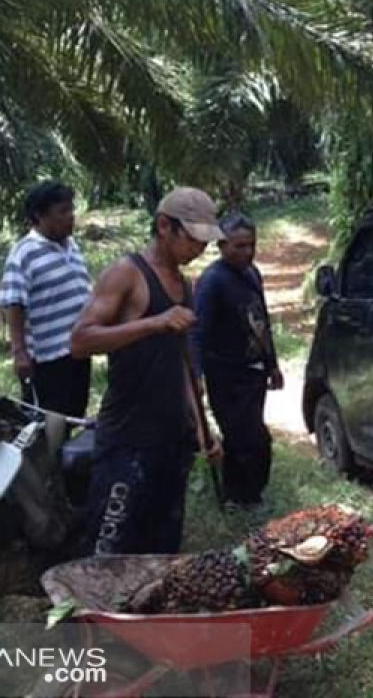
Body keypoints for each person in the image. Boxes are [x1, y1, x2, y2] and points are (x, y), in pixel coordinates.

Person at [71, 187, 224, 555]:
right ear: (163, 227)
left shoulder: (185, 285)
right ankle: (90, 612)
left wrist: (202, 429)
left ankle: (147, 613)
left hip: (172, 441)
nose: (200, 250)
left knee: (161, 549)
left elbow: (183, 362)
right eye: (193, 240)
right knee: (108, 548)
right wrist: (154, 323)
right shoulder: (126, 274)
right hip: (128, 439)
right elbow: (80, 341)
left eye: (205, 243)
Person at [191, 213, 283, 511]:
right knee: (247, 437)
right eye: (239, 246)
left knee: (248, 434)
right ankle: (239, 497)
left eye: (251, 245)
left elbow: (261, 321)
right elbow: (198, 333)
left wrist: (272, 364)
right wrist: (196, 377)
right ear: (221, 244)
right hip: (226, 375)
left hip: (253, 372)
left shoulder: (252, 273)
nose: (247, 252)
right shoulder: (212, 282)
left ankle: (245, 494)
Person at [0, 182, 92, 418]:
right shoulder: (24, 253)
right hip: (47, 359)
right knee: (48, 423)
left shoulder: (71, 245)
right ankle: (42, 456)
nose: (71, 217)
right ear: (40, 216)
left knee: (74, 414)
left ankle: (63, 455)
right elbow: (13, 303)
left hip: (78, 350)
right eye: (63, 211)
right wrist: (19, 352)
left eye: (71, 209)